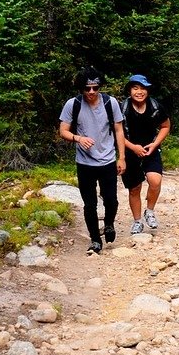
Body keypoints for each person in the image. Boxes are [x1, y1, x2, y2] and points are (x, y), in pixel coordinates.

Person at [58, 67, 126, 254]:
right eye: (87, 88)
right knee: (90, 204)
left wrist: (122, 157)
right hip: (84, 163)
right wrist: (78, 138)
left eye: (95, 88)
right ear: (81, 88)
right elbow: (63, 130)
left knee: (111, 200)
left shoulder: (110, 103)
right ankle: (95, 240)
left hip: (107, 161)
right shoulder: (73, 104)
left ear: (99, 87)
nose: (91, 92)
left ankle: (109, 223)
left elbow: (119, 130)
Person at [120, 74, 170, 234]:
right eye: (135, 88)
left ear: (147, 90)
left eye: (143, 88)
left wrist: (155, 144)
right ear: (129, 90)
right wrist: (133, 147)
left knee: (155, 181)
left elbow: (165, 125)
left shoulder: (155, 106)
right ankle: (137, 221)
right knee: (134, 189)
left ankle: (149, 211)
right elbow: (117, 133)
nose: (139, 92)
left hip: (151, 150)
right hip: (129, 151)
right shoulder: (122, 109)